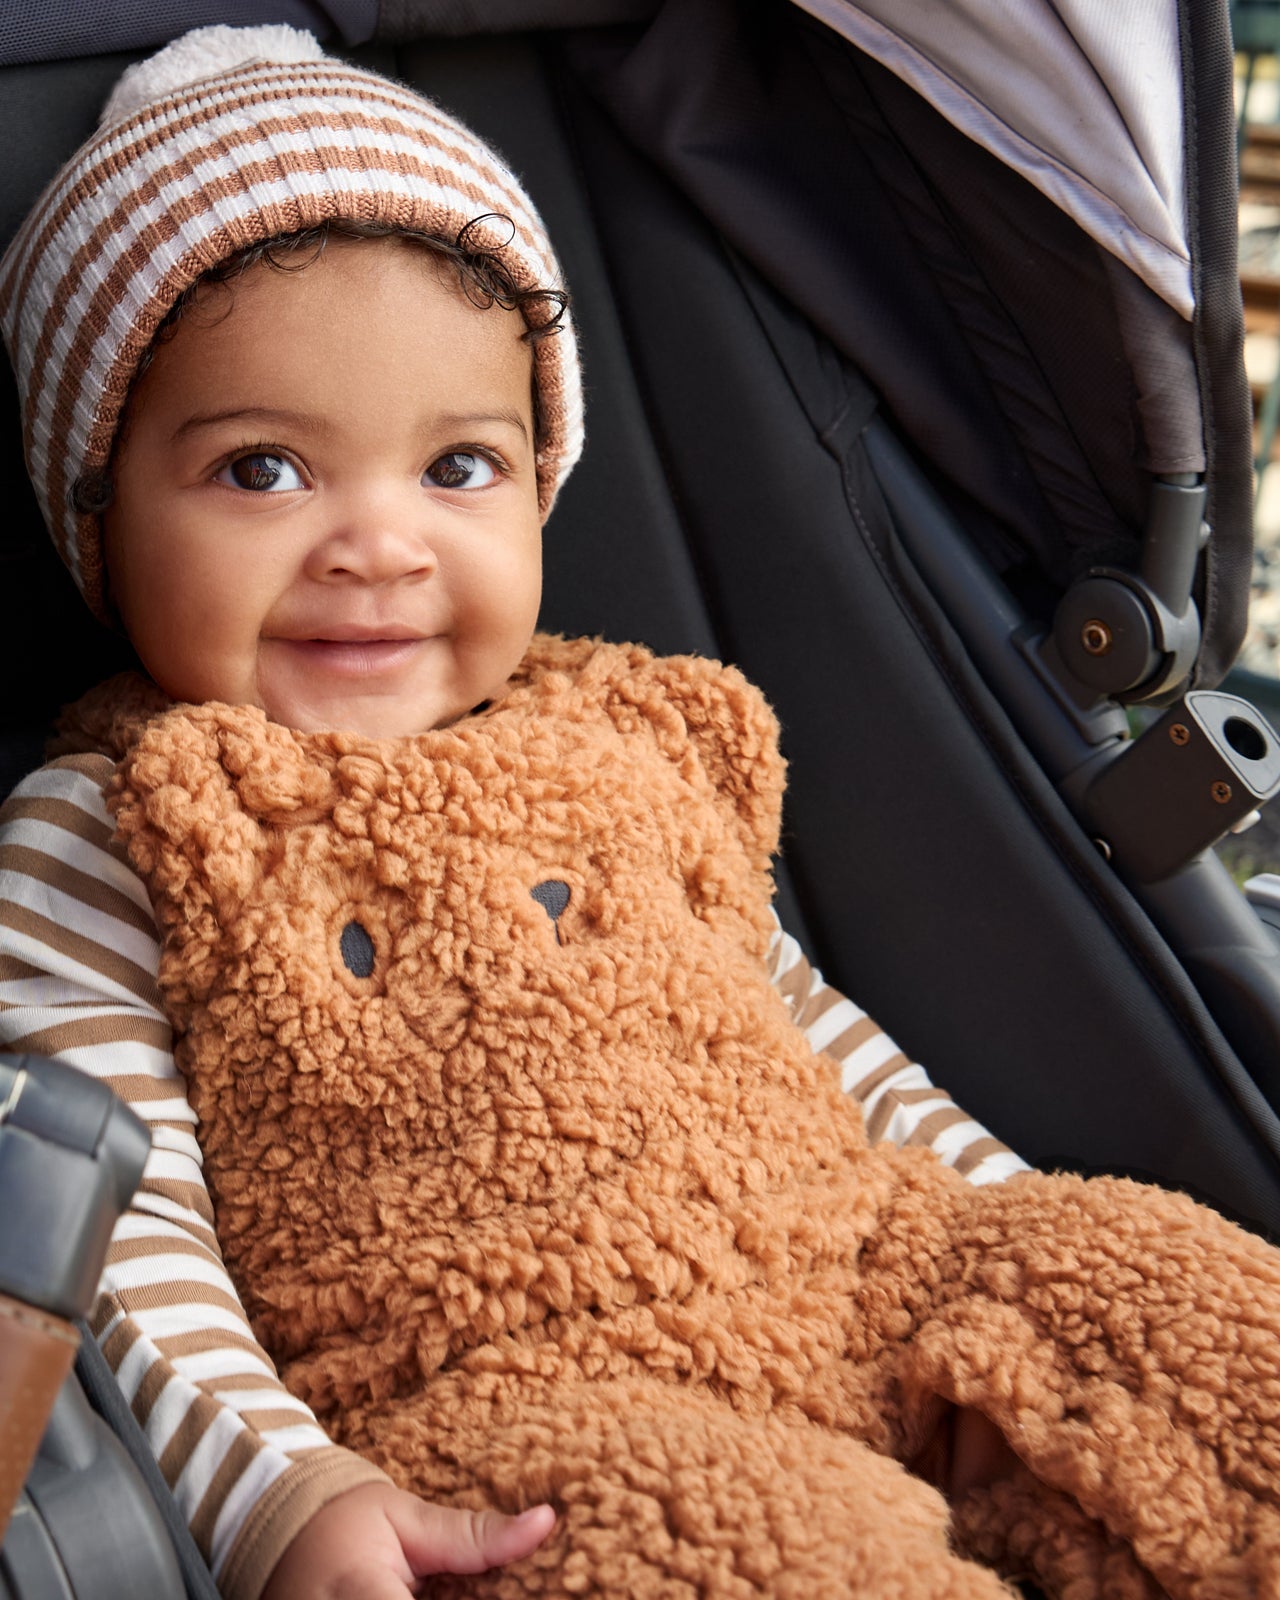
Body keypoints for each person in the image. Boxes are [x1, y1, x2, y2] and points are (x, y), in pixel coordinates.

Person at [0, 25, 1030, 1600]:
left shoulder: (623, 737)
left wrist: (1000, 1231)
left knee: (1161, 1323)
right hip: (533, 1407)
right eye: (263, 470)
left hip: (858, 1287)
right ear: (100, 515)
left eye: (458, 466)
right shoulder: (123, 825)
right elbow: (113, 1227)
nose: (380, 544)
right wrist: (282, 1492)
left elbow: (805, 1034)